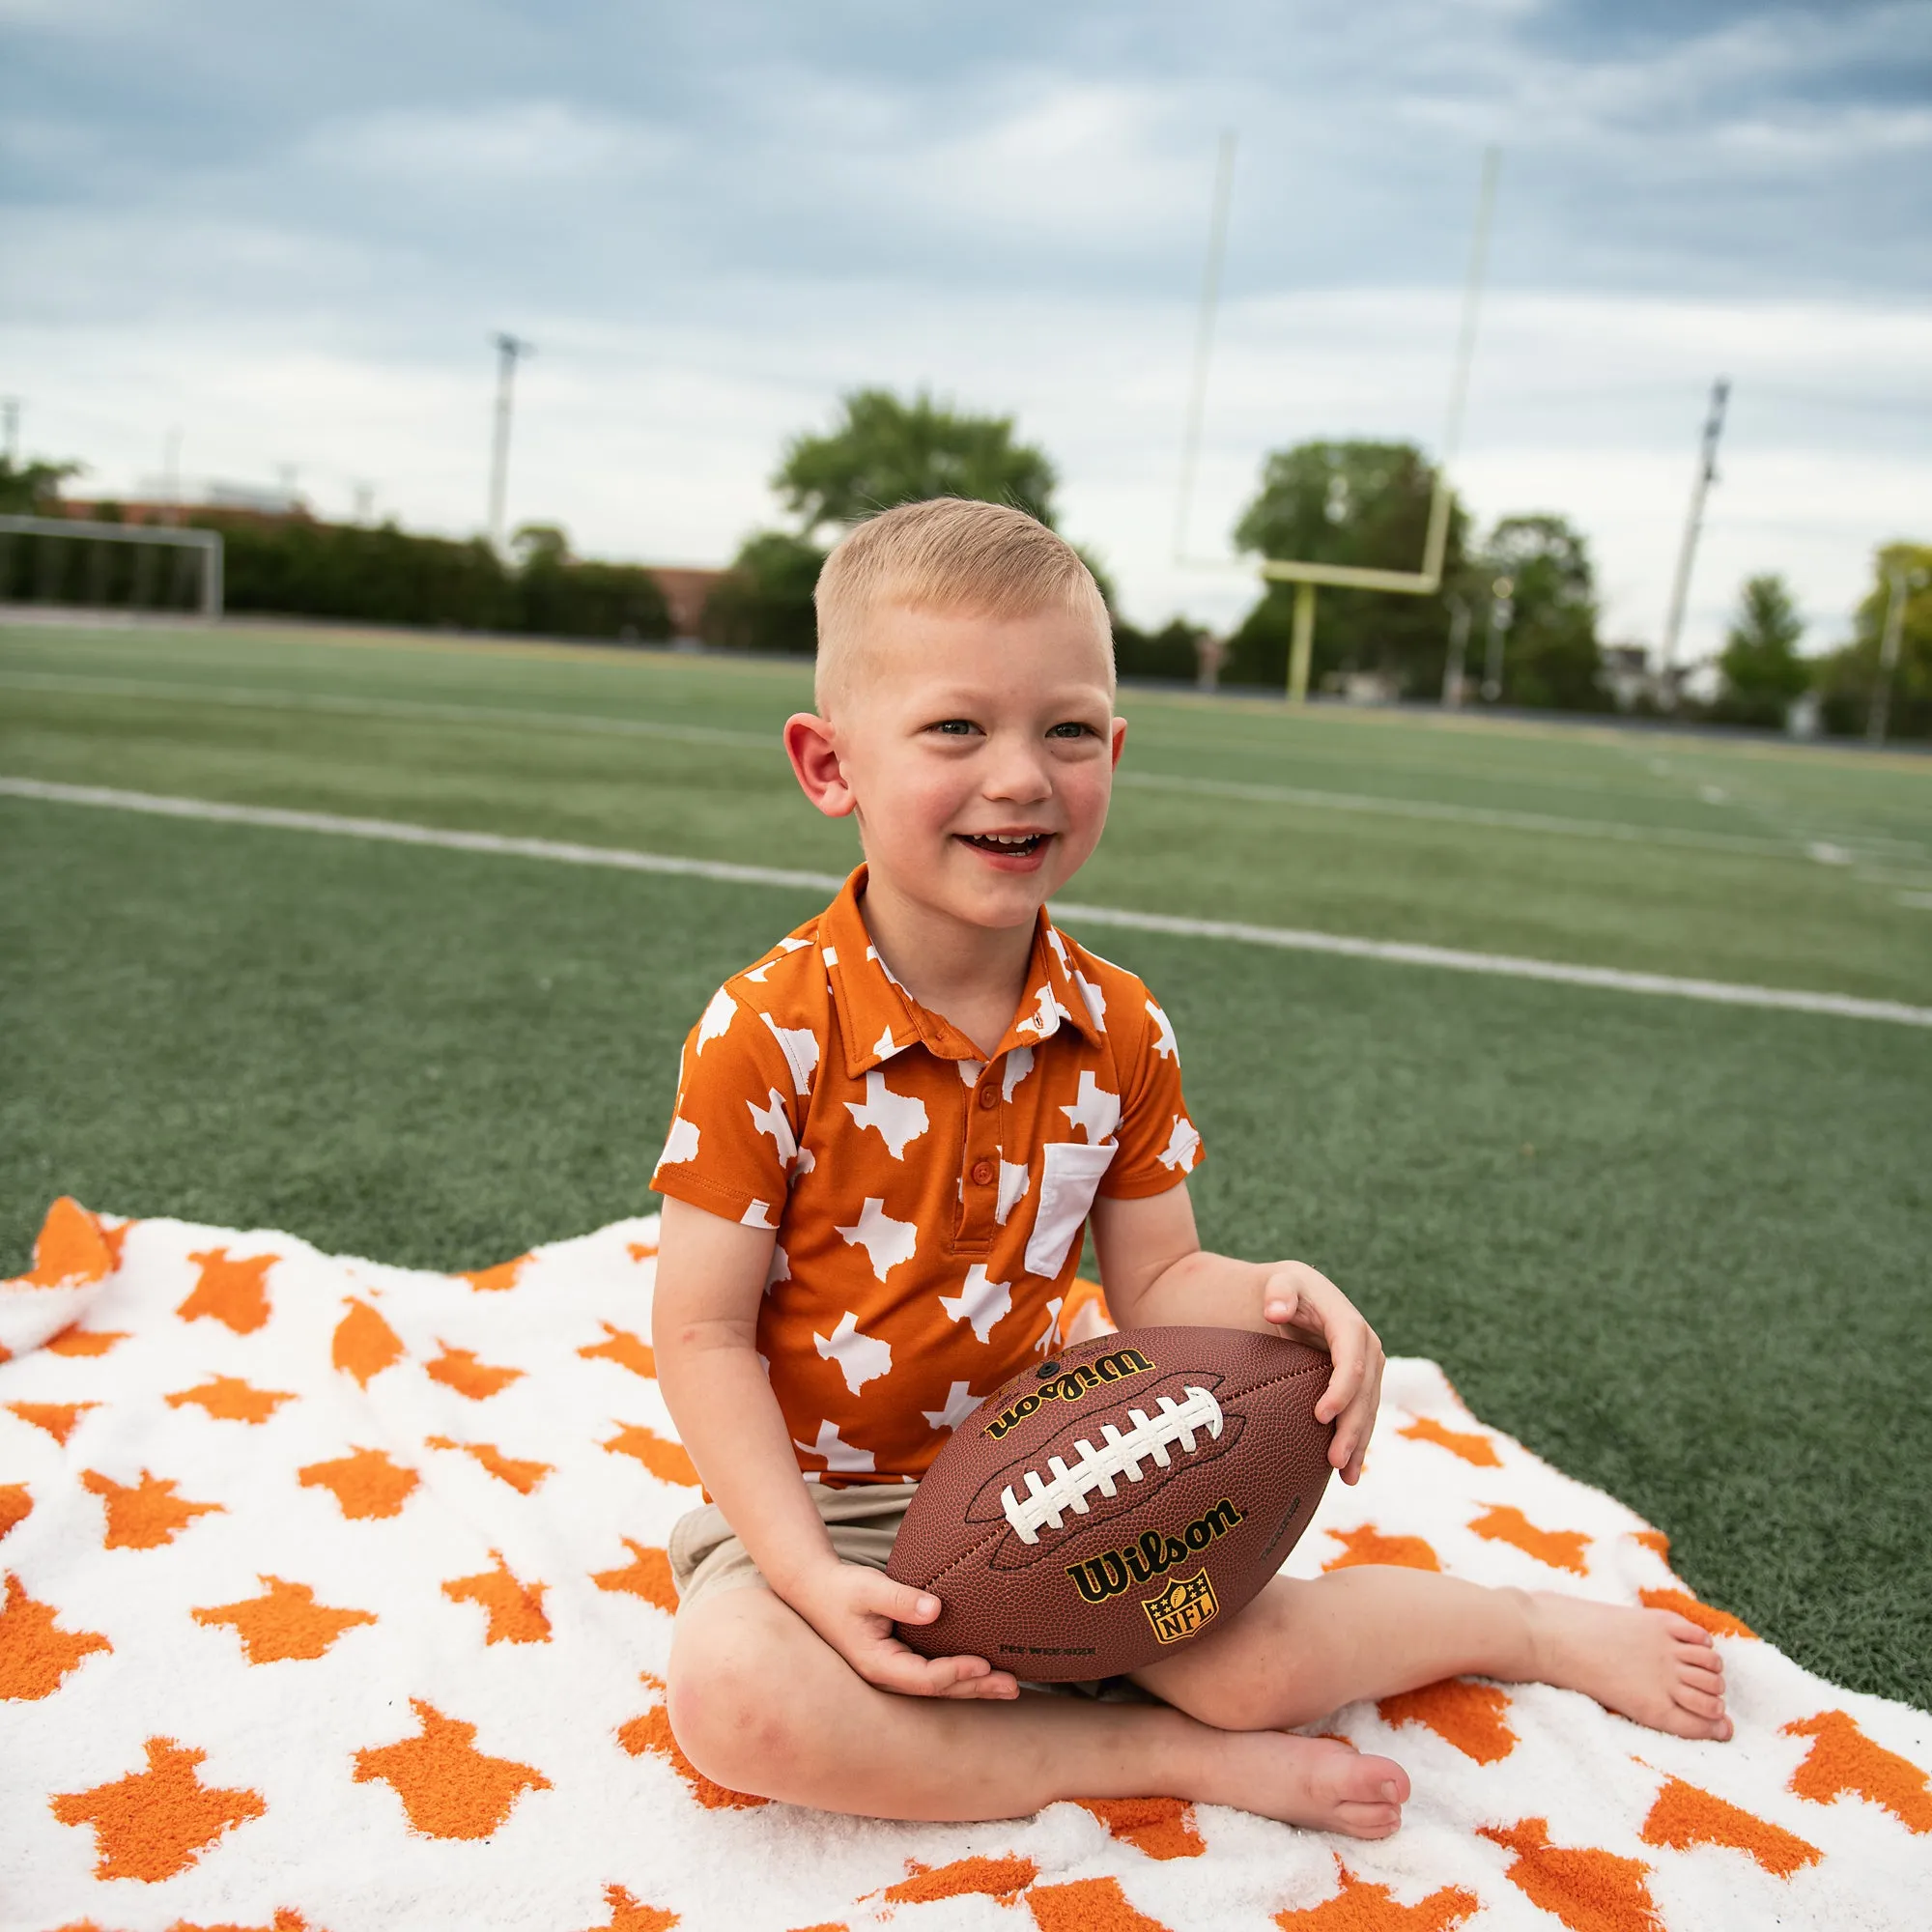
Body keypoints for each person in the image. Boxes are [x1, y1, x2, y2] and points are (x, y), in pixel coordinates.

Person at [650, 497, 1730, 1836]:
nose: (1021, 776)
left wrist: (1280, 1290)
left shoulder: (1118, 1027)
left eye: (1068, 729)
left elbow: (1159, 1279)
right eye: (955, 728)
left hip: (1060, 1483)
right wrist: (806, 1574)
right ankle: (1165, 1761)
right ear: (830, 764)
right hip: (823, 1510)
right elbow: (700, 1332)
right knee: (733, 1699)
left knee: (1261, 1664)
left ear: (1115, 747)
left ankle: (1512, 1622)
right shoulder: (765, 1029)